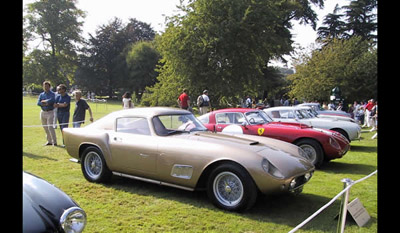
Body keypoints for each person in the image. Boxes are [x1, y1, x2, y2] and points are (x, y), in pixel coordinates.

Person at [37, 81, 57, 146]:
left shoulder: (52, 94)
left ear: (49, 87)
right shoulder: (41, 94)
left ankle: (55, 141)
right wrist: (44, 103)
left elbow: (52, 100)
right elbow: (38, 103)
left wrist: (45, 101)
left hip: (50, 112)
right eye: (44, 86)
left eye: (47, 86)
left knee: (50, 127)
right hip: (43, 112)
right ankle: (49, 141)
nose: (45, 87)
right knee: (45, 127)